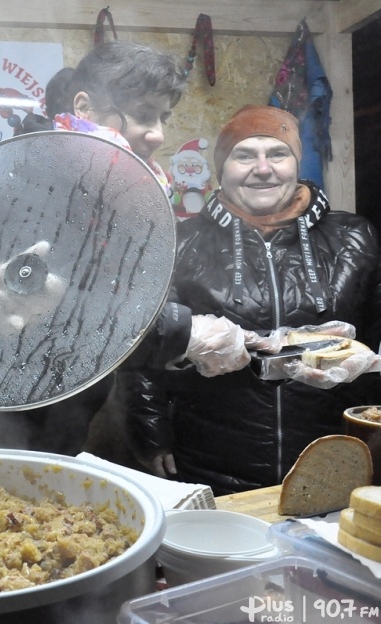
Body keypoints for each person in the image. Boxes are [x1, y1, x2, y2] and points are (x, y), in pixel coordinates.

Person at [0, 41, 263, 455]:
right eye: (142, 114)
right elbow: (52, 307)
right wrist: (182, 332)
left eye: (163, 117)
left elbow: (142, 295)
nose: (158, 134)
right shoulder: (19, 183)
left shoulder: (119, 197)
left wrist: (259, 340)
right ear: (83, 107)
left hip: (55, 429)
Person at [123, 104, 381, 494]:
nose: (263, 168)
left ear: (296, 163)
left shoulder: (355, 237)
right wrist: (151, 431)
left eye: (277, 153)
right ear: (222, 168)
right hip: (212, 459)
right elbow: (143, 346)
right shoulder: (179, 244)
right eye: (244, 155)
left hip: (332, 458)